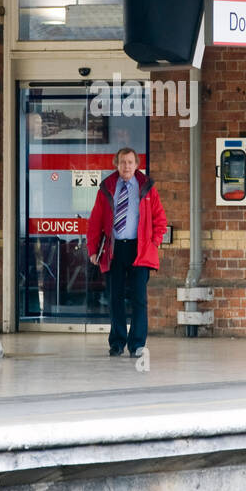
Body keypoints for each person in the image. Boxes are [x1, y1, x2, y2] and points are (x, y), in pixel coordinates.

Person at [87, 147, 168, 358]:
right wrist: (93, 250)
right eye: (123, 162)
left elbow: (160, 218)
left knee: (139, 299)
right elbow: (95, 222)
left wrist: (155, 242)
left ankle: (137, 344)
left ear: (137, 165)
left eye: (130, 162)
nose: (126, 166)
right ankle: (117, 343)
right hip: (115, 250)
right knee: (115, 298)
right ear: (116, 164)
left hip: (139, 249)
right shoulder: (107, 187)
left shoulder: (147, 187)